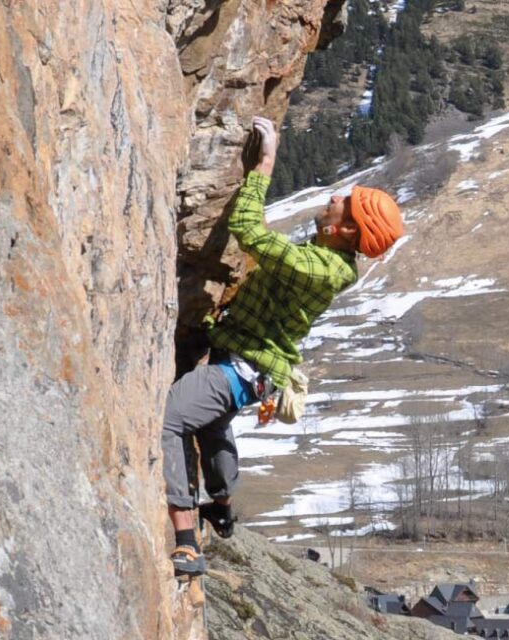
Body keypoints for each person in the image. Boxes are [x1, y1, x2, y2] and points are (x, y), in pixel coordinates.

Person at [165, 117, 404, 577]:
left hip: (243, 367)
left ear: (348, 232)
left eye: (345, 204)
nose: (335, 198)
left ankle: (185, 541)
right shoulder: (326, 255)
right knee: (211, 426)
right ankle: (222, 505)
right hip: (245, 361)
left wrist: (265, 163)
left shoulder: (319, 267)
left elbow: (248, 230)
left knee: (173, 417)